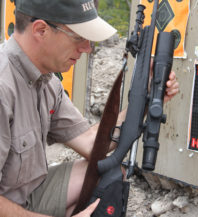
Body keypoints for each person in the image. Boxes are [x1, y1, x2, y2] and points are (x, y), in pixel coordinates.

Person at [0, 0, 179, 216]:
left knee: (109, 175)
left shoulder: (47, 82)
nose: (87, 48)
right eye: (79, 37)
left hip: (28, 193)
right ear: (41, 30)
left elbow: (92, 143)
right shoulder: (3, 86)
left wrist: (146, 100)